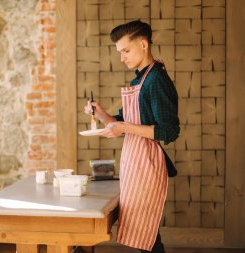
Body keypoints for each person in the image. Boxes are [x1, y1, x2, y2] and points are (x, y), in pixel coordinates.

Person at [84, 20, 180, 253]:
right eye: (120, 52)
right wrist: (101, 113)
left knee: (146, 233)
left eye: (126, 51)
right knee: (146, 233)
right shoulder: (141, 79)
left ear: (144, 44)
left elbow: (169, 130)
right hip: (136, 162)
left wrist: (124, 128)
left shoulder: (156, 80)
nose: (122, 57)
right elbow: (122, 122)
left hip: (147, 163)